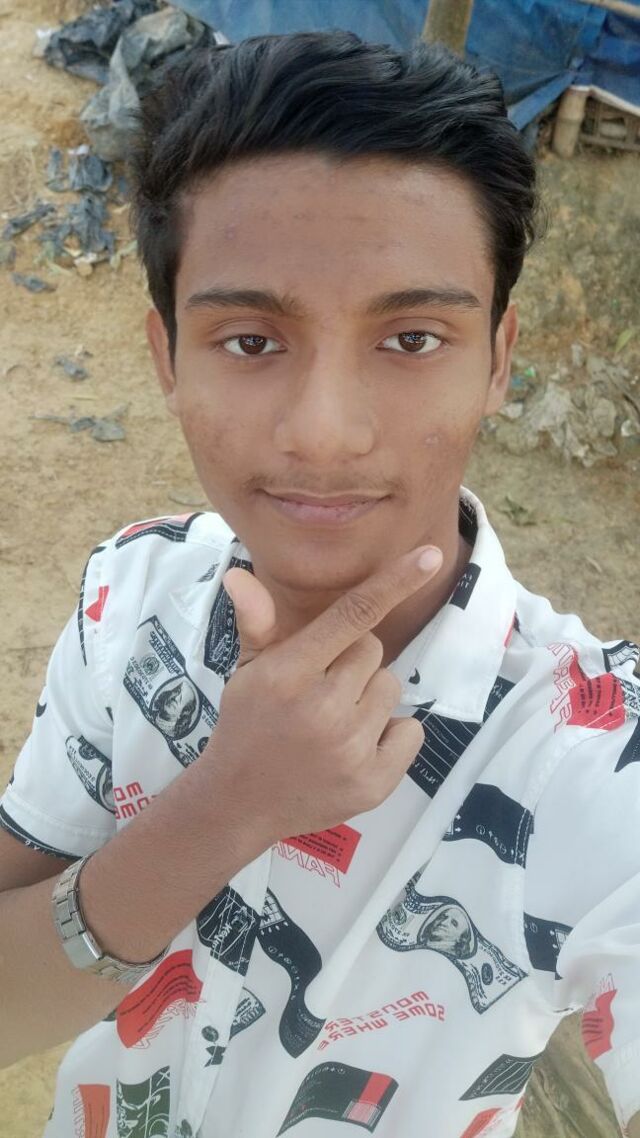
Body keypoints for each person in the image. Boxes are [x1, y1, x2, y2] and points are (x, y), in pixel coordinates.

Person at [0, 29, 638, 1138]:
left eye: (412, 339)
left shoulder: (593, 753)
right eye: (251, 342)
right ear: (166, 357)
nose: (324, 433)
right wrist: (224, 807)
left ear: (497, 359)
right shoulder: (131, 598)